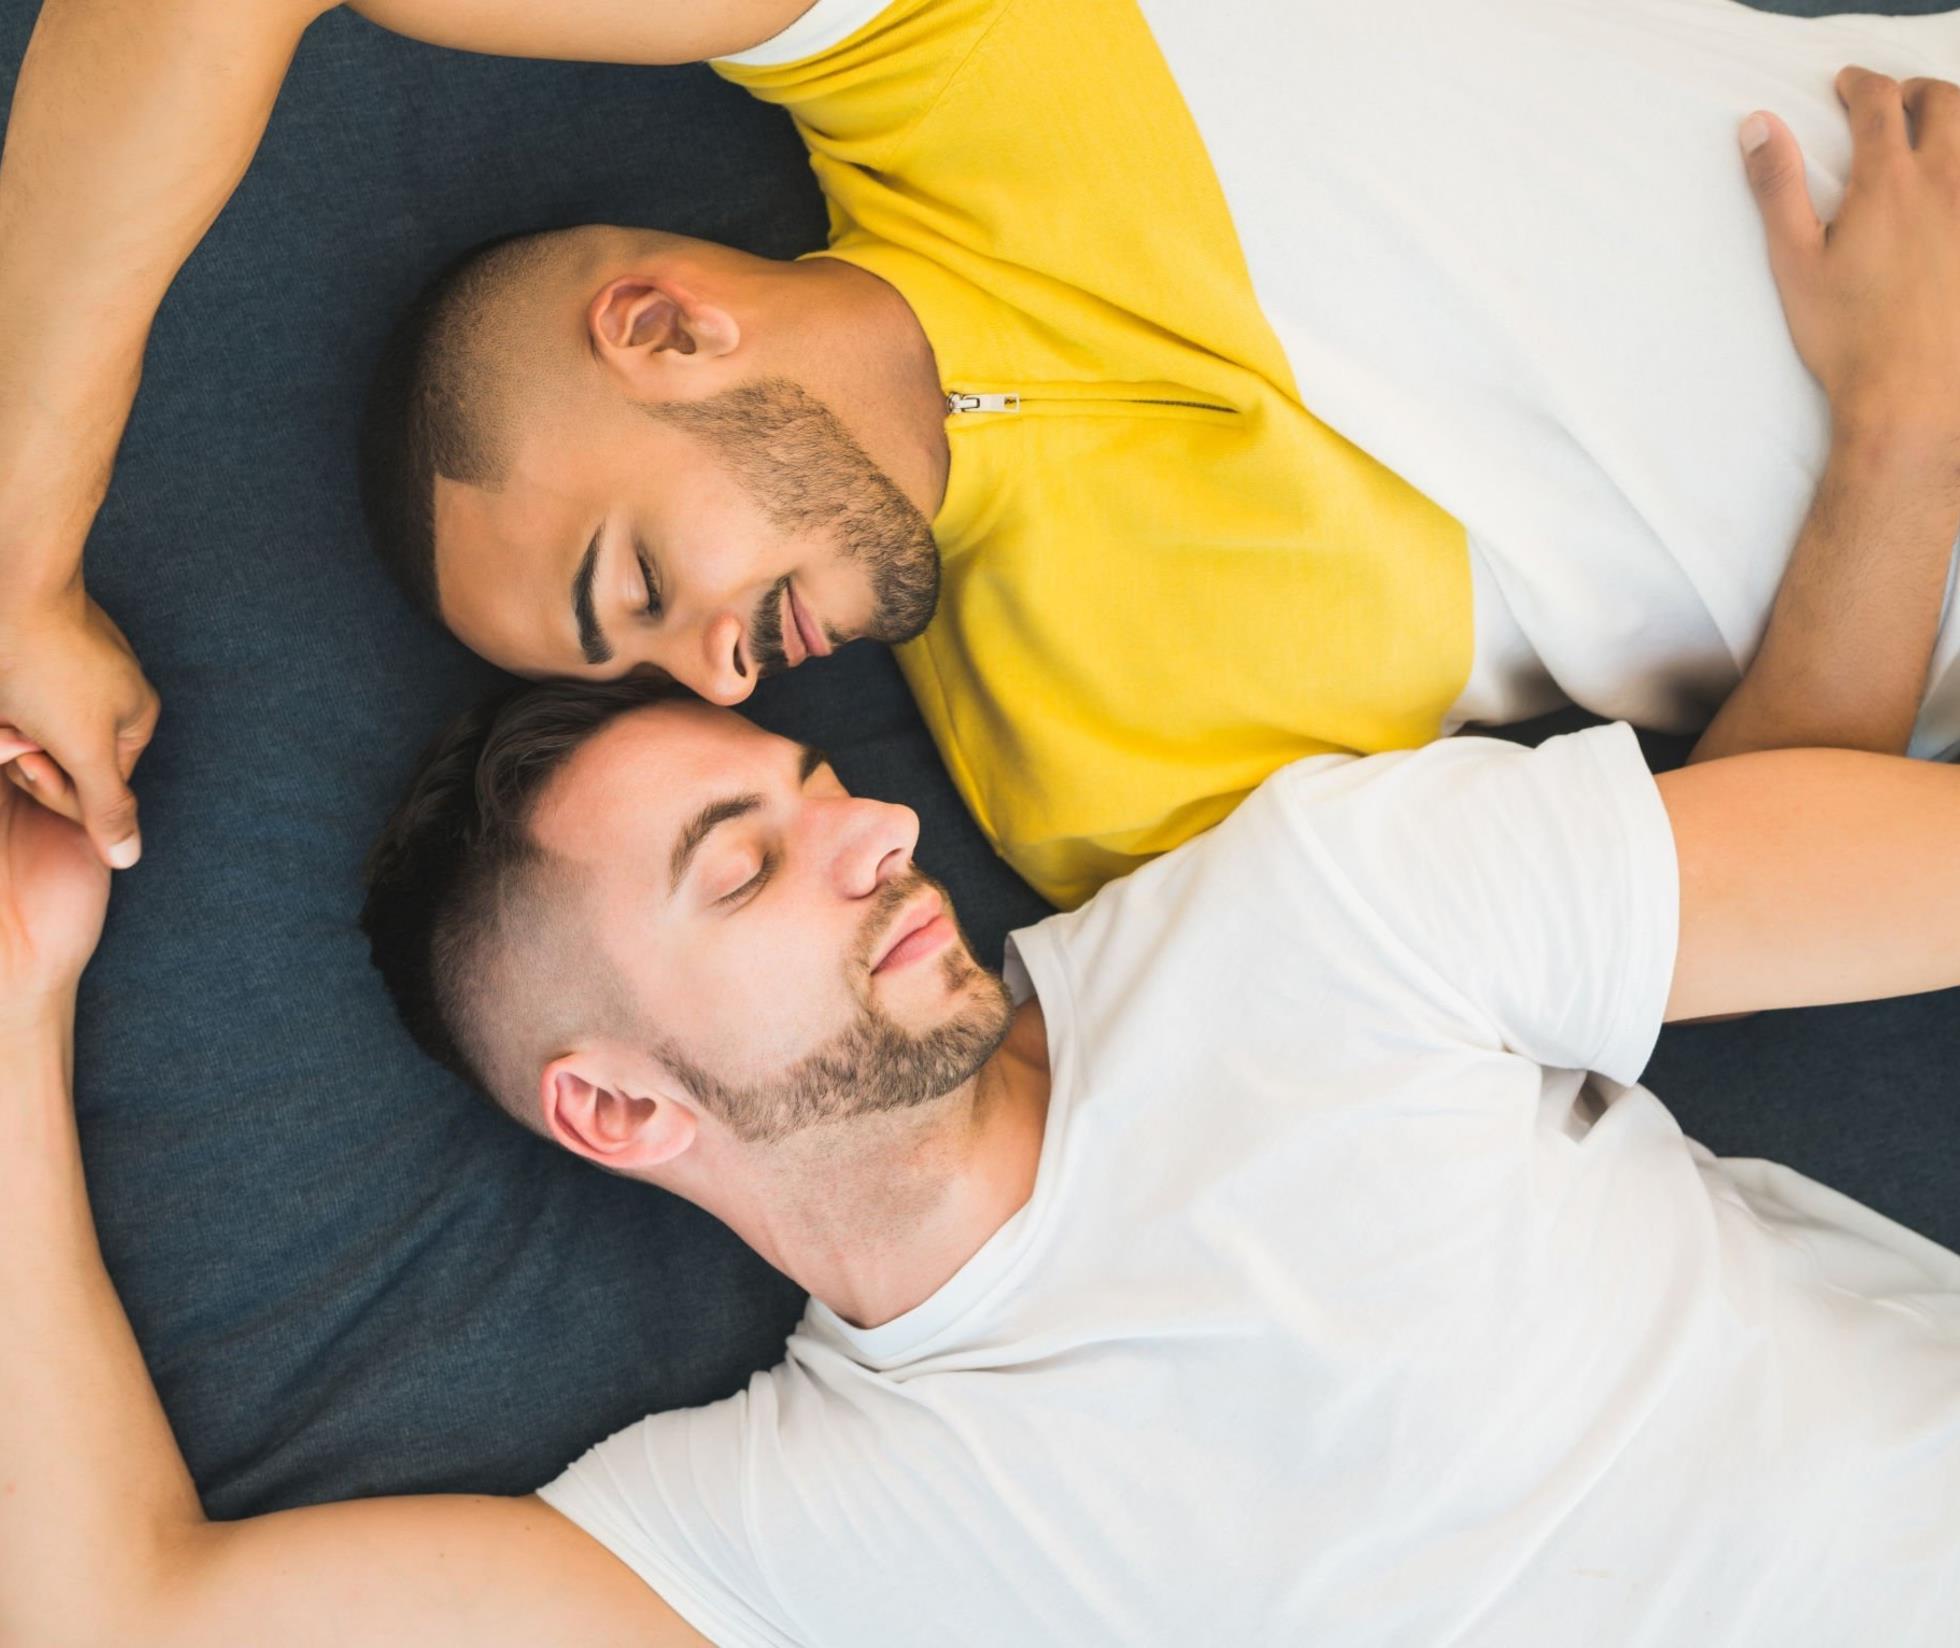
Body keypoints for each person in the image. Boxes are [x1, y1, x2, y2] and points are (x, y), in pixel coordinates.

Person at [6, 669, 1960, 1646]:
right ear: (619, 1108)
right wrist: (15, 995)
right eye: (745, 869)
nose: (875, 834)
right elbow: (112, 1614)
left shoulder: (1324, 907)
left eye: (815, 791)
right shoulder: (794, 1529)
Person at [2, 0, 1959, 906]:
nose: (720, 677)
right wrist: (1897, 427)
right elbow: (1762, 883)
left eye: (638, 586)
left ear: (668, 327)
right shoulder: (1093, 788)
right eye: (653, 669)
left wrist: (17, 559)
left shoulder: (938, 37)